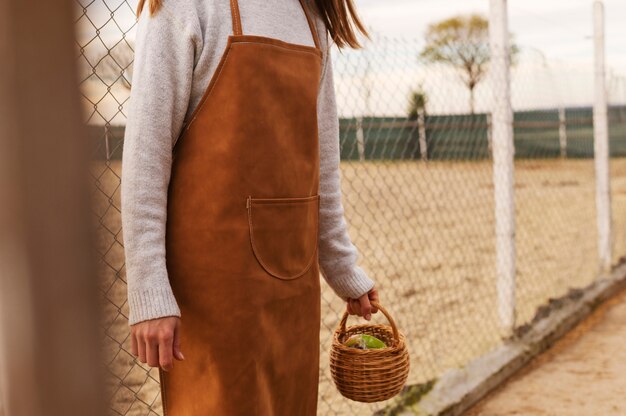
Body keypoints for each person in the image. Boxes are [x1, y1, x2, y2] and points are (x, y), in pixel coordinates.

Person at [120, 0, 380, 414]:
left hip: (294, 289)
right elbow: (145, 160)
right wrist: (149, 290)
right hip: (210, 293)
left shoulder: (310, 19)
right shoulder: (185, 6)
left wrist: (343, 267)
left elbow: (321, 166)